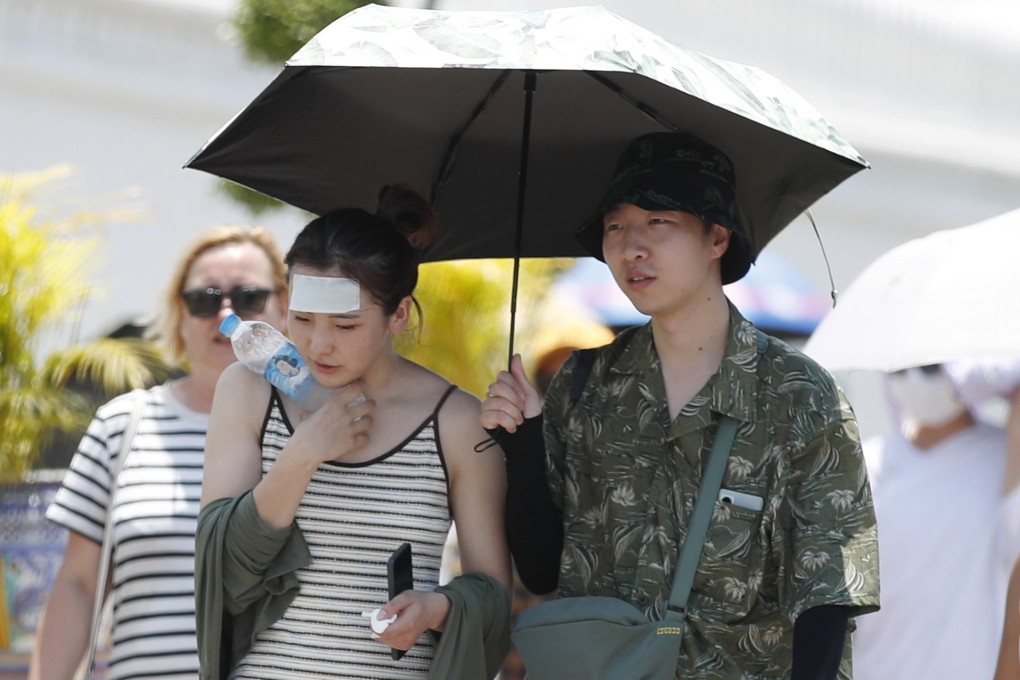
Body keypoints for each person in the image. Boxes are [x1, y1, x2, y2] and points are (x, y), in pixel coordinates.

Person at [481, 131, 880, 680]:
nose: (631, 247)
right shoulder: (584, 382)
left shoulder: (796, 393)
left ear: (717, 238)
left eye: (658, 223)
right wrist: (524, 443)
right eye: (615, 226)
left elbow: (828, 594)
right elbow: (542, 567)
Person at [195, 184, 512, 680]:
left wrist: (434, 609)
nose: (319, 344)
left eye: (345, 326)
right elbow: (222, 570)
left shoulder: (454, 420)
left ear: (399, 314)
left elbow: (493, 596)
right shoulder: (249, 388)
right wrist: (302, 455)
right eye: (301, 319)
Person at [29, 226, 289, 680]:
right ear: (179, 313)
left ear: (283, 309)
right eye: (205, 299)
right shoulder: (121, 426)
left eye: (248, 296)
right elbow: (79, 585)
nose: (225, 312)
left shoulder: (315, 428)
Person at [852, 361, 1020, 680]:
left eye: (930, 367)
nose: (914, 379)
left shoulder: (1005, 458)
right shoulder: (863, 462)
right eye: (900, 368)